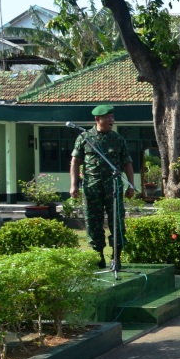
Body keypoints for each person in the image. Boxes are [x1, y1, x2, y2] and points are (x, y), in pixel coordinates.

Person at [69, 104, 136, 269]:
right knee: (93, 223)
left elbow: (127, 163)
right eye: (107, 117)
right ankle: (98, 257)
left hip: (113, 188)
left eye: (112, 117)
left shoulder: (118, 139)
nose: (111, 120)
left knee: (117, 222)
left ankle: (116, 257)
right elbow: (75, 162)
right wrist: (73, 185)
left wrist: (131, 185)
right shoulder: (85, 138)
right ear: (97, 119)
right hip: (91, 188)